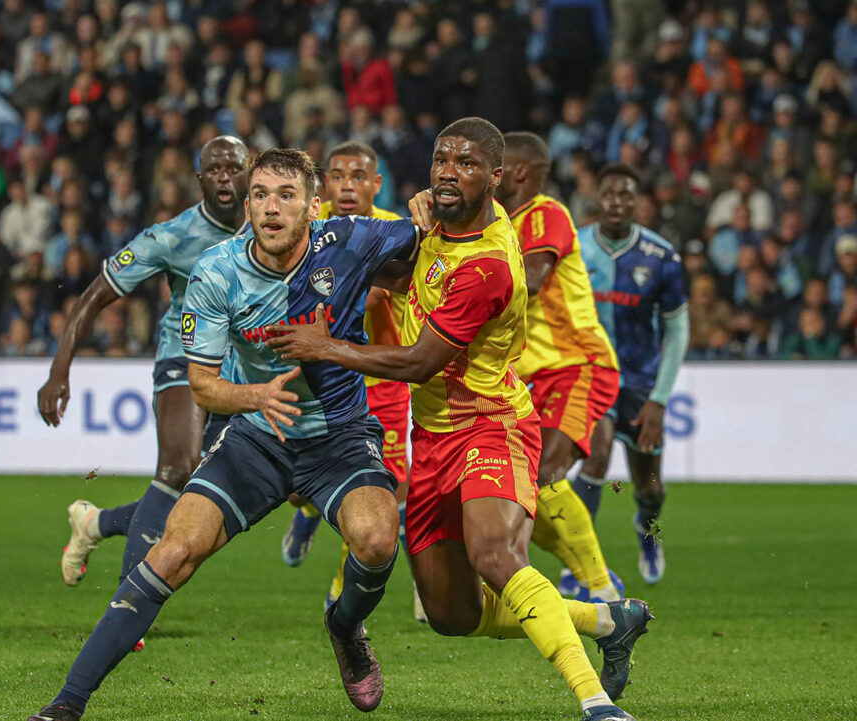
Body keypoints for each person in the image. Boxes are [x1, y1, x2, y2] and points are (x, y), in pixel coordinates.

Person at [267, 118, 647, 721]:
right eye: (442, 159)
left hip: (491, 423)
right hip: (433, 438)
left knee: (496, 555)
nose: (448, 170)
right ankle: (605, 619)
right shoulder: (439, 222)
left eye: (467, 164)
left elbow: (420, 363)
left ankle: (595, 703)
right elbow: (397, 277)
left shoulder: (490, 264)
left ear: (496, 178)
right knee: (451, 616)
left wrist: (326, 346)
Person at [27, 148, 417, 720]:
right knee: (174, 551)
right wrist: (255, 397)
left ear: (314, 205)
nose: (270, 207)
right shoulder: (217, 269)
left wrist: (429, 209)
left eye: (286, 195)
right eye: (260, 195)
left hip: (338, 433)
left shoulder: (353, 238)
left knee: (378, 539)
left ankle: (345, 624)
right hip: (256, 435)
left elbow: (427, 237)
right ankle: (66, 704)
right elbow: (204, 388)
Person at [37, 136, 249, 595]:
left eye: (233, 168)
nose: (225, 179)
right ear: (199, 179)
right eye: (214, 170)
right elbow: (95, 294)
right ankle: (129, 602)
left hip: (242, 371)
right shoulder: (172, 236)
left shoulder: (268, 227)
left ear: (249, 171)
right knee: (177, 468)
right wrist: (59, 370)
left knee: (207, 498)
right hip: (184, 357)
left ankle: (95, 523)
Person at [278, 140, 425, 622]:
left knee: (385, 489)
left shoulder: (389, 234)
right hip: (320, 375)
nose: (347, 186)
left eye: (358, 177)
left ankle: (345, 590)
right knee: (299, 485)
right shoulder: (312, 231)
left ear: (375, 184)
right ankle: (304, 513)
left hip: (380, 381)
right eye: (337, 176)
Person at [497, 132, 624, 603]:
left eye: (498, 165)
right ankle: (589, 572)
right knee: (523, 492)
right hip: (529, 378)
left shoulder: (544, 213)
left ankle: (603, 591)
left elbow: (529, 280)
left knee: (546, 473)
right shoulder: (496, 223)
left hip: (576, 364)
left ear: (522, 173)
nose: (489, 174)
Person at [574, 164, 689, 585]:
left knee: (650, 489)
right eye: (610, 194)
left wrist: (660, 398)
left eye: (626, 195)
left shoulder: (662, 257)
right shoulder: (576, 249)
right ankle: (580, 563)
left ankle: (648, 529)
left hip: (642, 384)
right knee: (597, 453)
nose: (617, 203)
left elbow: (678, 329)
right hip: (593, 378)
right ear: (597, 200)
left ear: (637, 203)